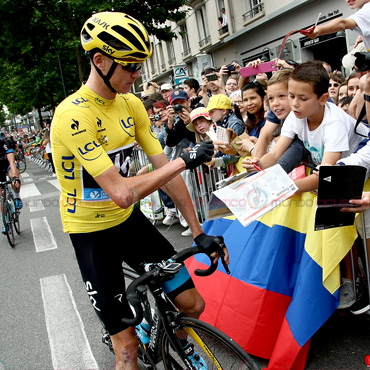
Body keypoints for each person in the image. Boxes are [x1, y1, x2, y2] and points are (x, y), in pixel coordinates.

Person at [51, 12, 228, 370]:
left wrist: (199, 232)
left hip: (129, 225)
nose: (138, 75)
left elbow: (163, 171)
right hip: (91, 235)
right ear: (99, 61)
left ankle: (175, 346)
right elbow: (122, 192)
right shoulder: (72, 115)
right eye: (130, 66)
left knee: (193, 305)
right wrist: (183, 161)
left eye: (140, 65)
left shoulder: (131, 104)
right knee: (127, 348)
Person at [243, 62, 369, 192]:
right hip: (343, 178)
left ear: (323, 99)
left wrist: (282, 189)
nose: (295, 104)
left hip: (361, 179)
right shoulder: (295, 115)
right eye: (291, 96)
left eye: (303, 98)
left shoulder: (335, 123)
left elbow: (325, 175)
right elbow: (275, 154)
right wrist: (261, 164)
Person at [0, 134, 22, 235]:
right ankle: (6, 223)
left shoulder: (4, 143)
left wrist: (14, 178)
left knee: (14, 173)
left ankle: (17, 196)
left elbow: (12, 161)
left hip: (7, 164)